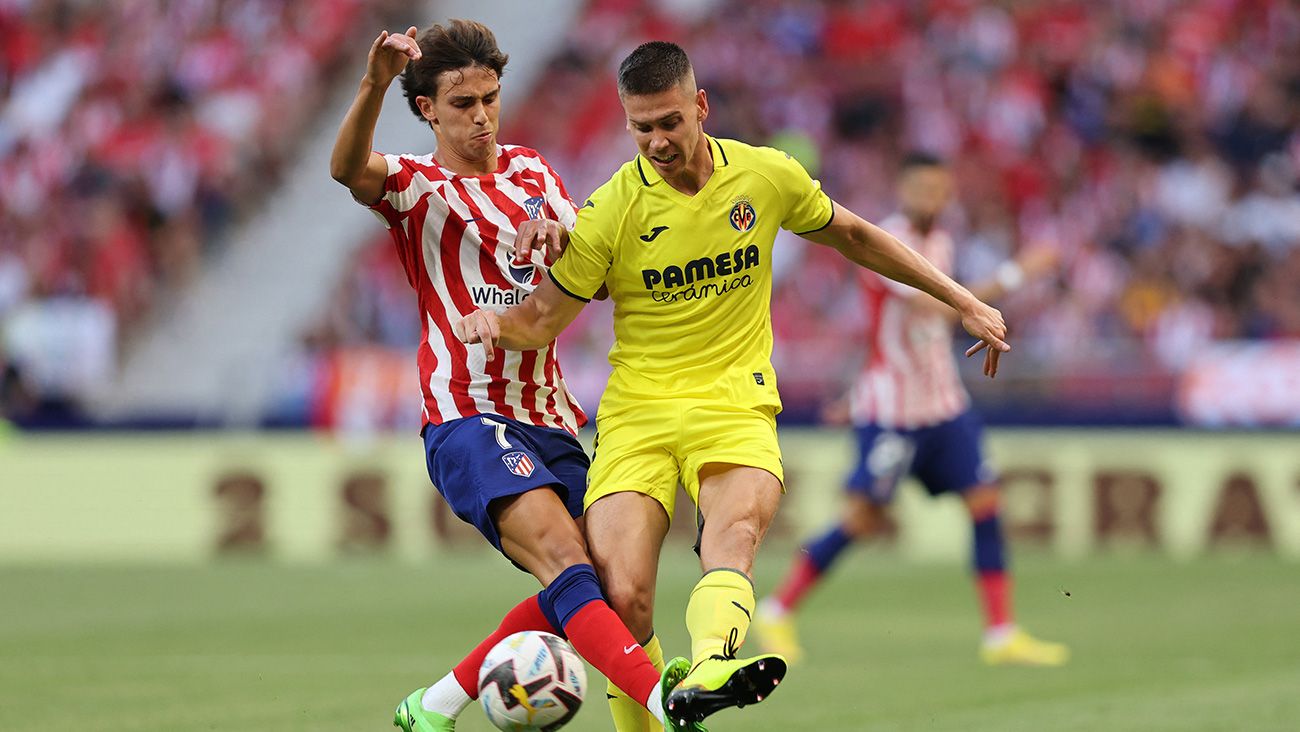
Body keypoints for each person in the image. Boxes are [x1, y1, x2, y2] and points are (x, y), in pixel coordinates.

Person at [453, 41, 1011, 729]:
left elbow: (858, 237)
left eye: (669, 122)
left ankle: (715, 663)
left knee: (735, 531)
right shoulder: (610, 213)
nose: (656, 140)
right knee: (623, 596)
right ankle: (673, 704)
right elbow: (543, 320)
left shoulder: (765, 176)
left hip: (734, 402)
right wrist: (495, 323)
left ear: (700, 107)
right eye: (641, 127)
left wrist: (962, 299)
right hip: (639, 415)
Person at [328, 21, 692, 732]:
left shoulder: (533, 173)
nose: (482, 117)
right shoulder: (416, 186)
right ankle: (668, 703)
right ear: (427, 109)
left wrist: (565, 239)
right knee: (564, 559)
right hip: (466, 411)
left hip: (551, 416)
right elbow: (347, 170)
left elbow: (598, 274)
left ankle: (433, 706)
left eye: (490, 98)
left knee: (605, 588)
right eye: (462, 105)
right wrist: (372, 81)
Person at [753, 152, 1069, 667]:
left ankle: (1001, 633)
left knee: (985, 503)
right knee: (861, 518)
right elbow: (936, 305)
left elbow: (928, 325)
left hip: (943, 403)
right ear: (902, 190)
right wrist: (1017, 273)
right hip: (894, 412)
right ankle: (778, 609)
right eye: (920, 188)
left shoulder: (941, 240)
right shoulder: (887, 244)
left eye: (938, 190)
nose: (930, 198)